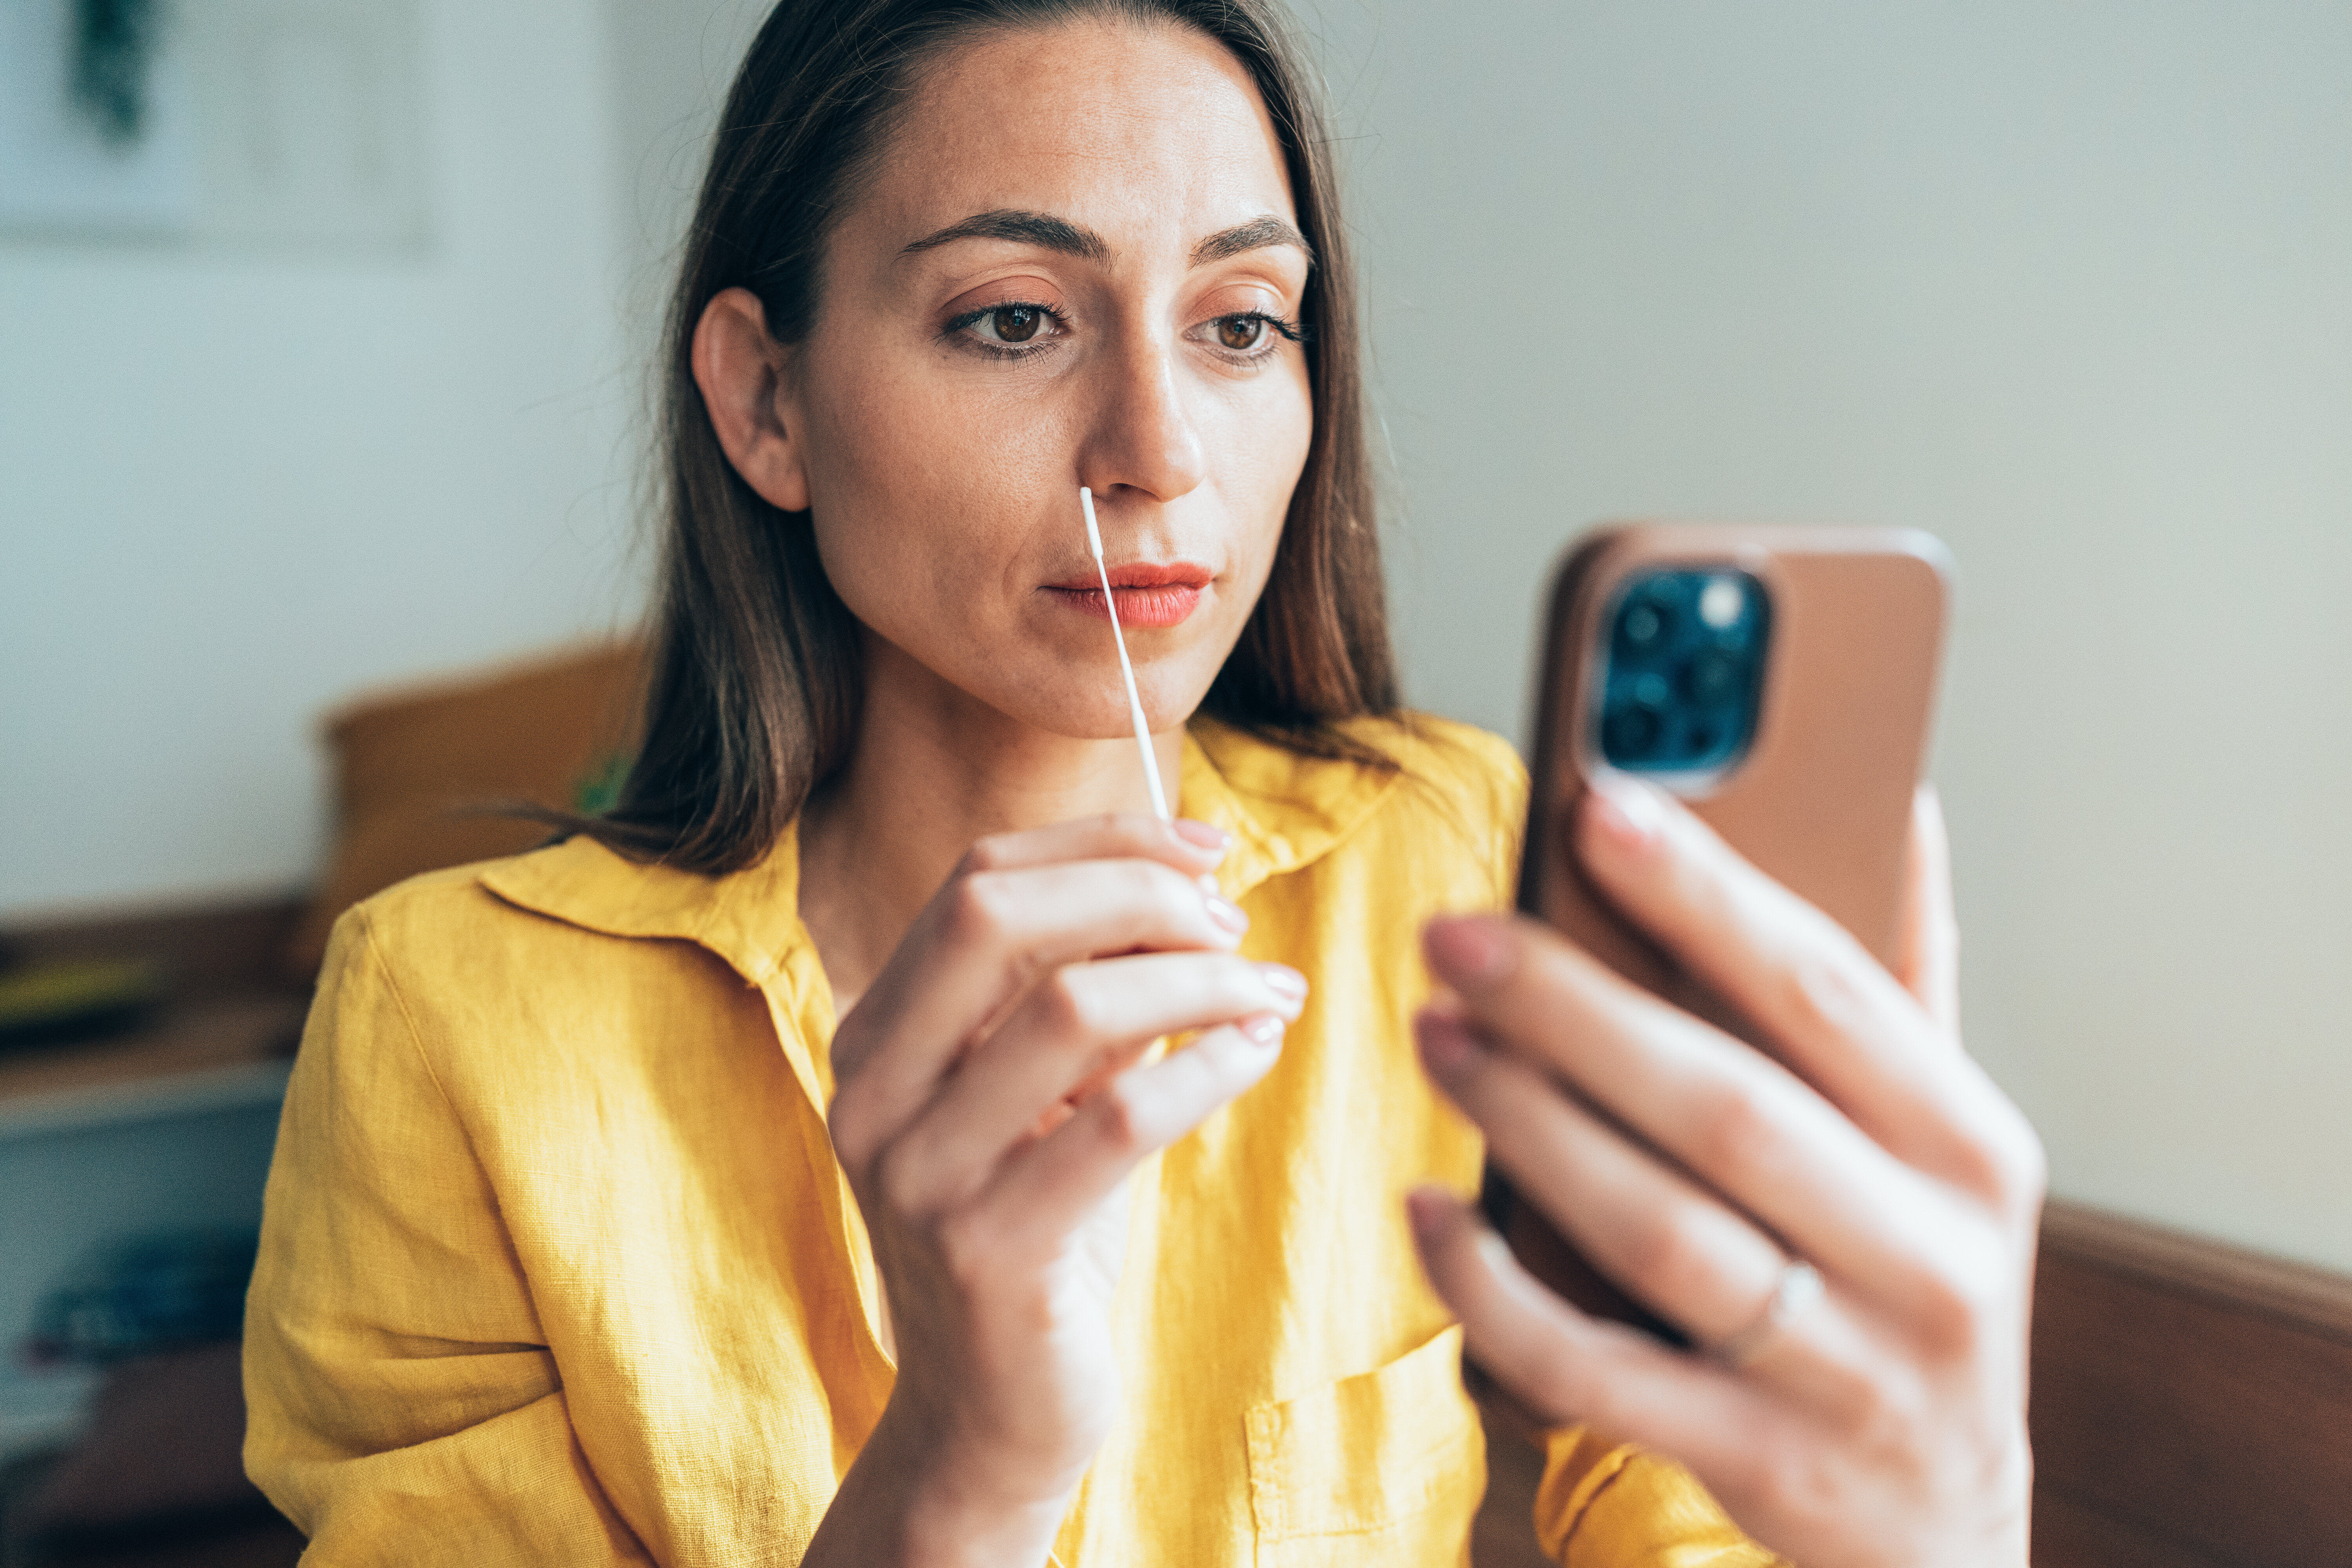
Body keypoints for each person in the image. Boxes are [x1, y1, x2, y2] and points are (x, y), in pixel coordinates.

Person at [242, 1, 2044, 1563]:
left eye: (1242, 323)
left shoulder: (1454, 864)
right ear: (764, 403)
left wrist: (1938, 1530)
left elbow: (1700, 1510)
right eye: (1017, 319)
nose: (1161, 454)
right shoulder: (449, 1019)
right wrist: (958, 1475)